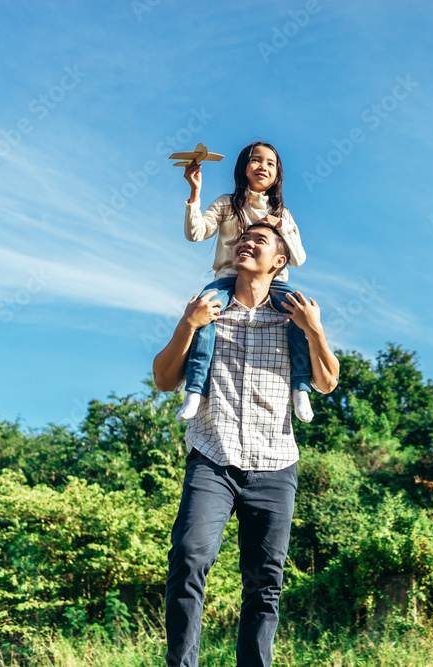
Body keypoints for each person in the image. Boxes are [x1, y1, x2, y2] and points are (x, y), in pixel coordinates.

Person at [153, 222, 339, 667]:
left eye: (259, 241)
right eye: (242, 239)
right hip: (212, 457)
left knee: (265, 581)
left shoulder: (293, 316)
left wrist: (315, 330)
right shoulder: (209, 308)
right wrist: (187, 323)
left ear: (280, 261)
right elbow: (163, 379)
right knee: (188, 557)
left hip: (275, 466)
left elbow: (327, 382)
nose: (245, 243)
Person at [178, 141, 315, 423]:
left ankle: (300, 386)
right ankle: (195, 389)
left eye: (270, 163)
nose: (262, 167)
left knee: (299, 314)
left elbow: (298, 258)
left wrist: (281, 227)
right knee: (205, 313)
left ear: (278, 173)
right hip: (229, 277)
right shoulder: (228, 204)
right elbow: (195, 233)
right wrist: (195, 193)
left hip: (272, 281)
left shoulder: (283, 213)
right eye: (255, 160)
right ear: (243, 167)